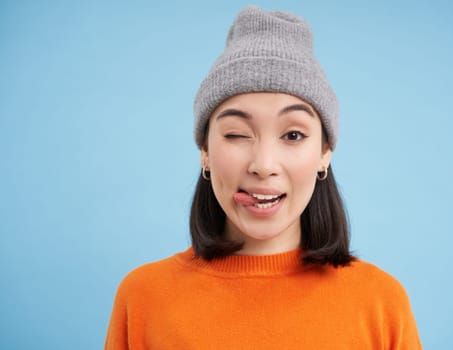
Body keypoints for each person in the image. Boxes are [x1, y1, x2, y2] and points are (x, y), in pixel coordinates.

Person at [105, 6, 422, 349]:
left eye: (293, 135)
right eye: (237, 134)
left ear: (324, 153)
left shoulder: (381, 303)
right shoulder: (143, 298)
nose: (264, 164)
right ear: (205, 152)